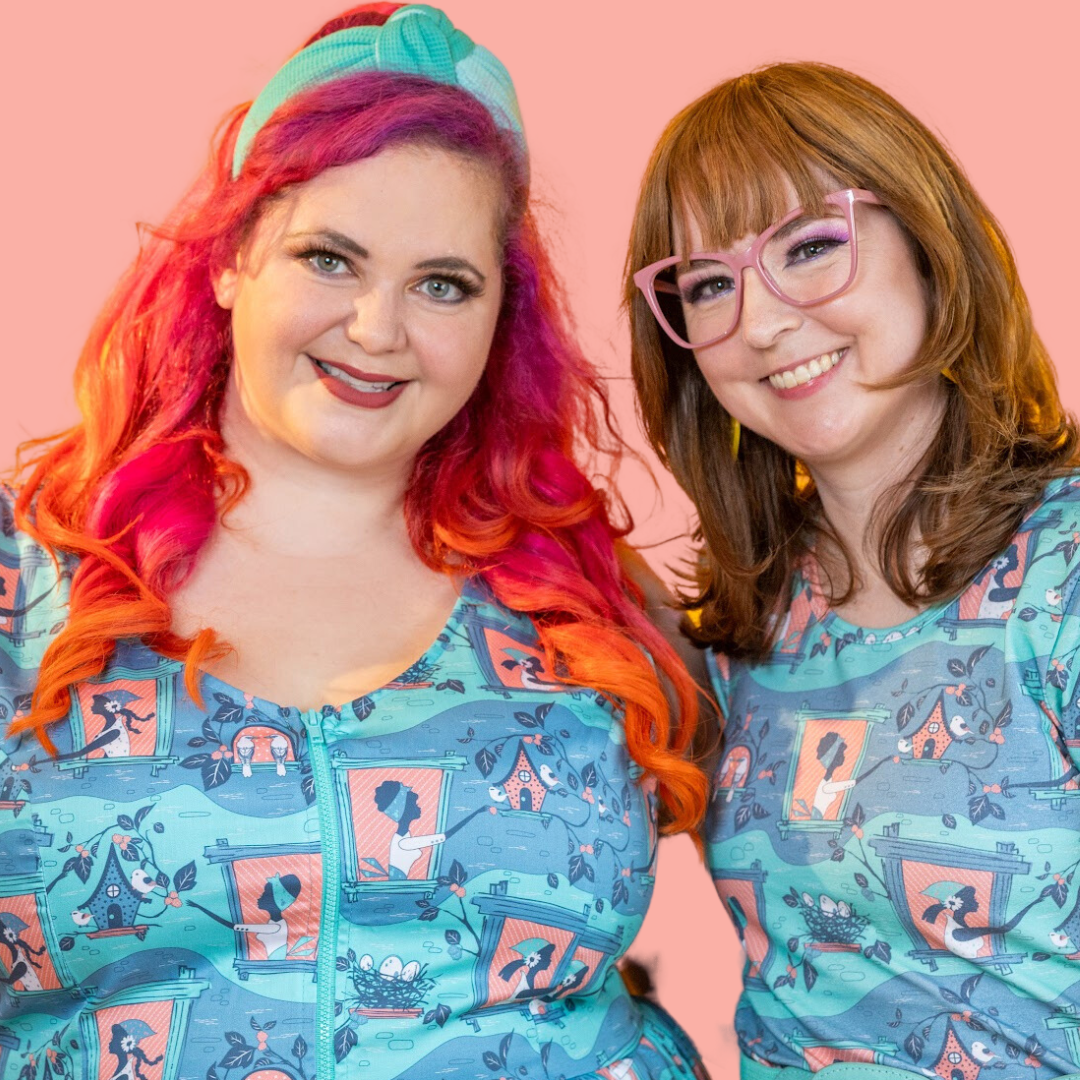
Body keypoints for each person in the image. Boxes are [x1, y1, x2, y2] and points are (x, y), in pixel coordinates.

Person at [0, 6, 709, 1080]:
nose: (379, 330)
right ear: (234, 259)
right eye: (329, 259)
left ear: (496, 318)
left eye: (441, 284)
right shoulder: (32, 573)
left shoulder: (584, 590)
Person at [626, 62, 1080, 1078]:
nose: (764, 319)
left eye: (811, 246)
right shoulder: (746, 621)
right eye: (708, 286)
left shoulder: (1066, 574)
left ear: (928, 247)